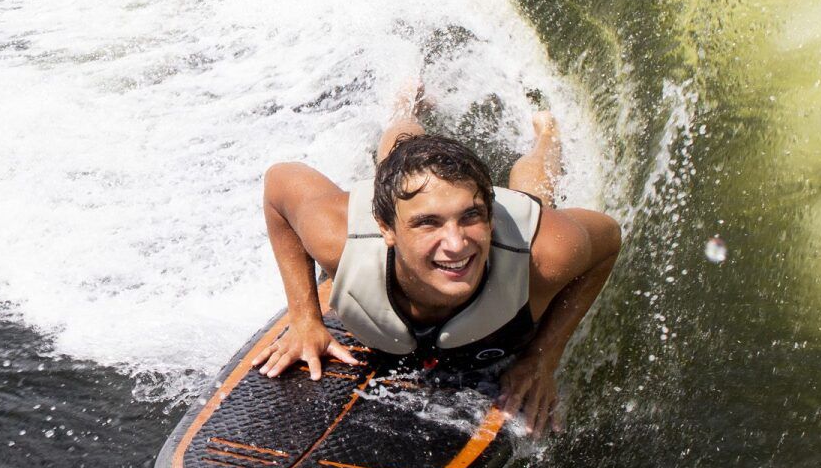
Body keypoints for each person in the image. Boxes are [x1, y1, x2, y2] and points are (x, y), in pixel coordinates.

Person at [253, 88, 622, 435]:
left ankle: (546, 138)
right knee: (400, 160)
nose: (456, 244)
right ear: (386, 228)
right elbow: (280, 184)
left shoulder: (544, 254)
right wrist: (304, 318)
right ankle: (408, 104)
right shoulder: (339, 237)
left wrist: (544, 356)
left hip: (514, 248)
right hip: (388, 223)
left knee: (532, 197)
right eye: (427, 223)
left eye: (472, 216)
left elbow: (607, 240)